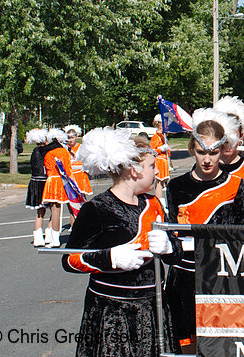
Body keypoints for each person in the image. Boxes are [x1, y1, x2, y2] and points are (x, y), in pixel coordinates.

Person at [62, 128, 181, 356]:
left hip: (153, 307)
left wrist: (168, 247)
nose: (157, 172)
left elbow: (175, 253)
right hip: (111, 310)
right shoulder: (97, 208)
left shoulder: (153, 204)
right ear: (134, 170)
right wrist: (110, 258)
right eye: (152, 166)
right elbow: (70, 259)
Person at [165, 109, 244, 353]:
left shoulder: (236, 184)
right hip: (185, 276)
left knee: (222, 344)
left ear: (223, 150)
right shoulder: (176, 186)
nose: (207, 159)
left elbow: (243, 236)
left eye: (213, 152)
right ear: (192, 150)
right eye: (201, 152)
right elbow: (170, 234)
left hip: (222, 277)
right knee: (187, 344)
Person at [41, 128, 73, 247]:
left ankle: (54, 237)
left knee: (55, 210)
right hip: (60, 181)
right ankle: (58, 238)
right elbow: (67, 170)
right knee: (72, 207)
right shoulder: (63, 152)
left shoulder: (48, 152)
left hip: (51, 182)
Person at [24, 128, 49, 247]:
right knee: (54, 208)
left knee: (40, 211)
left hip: (35, 182)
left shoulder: (35, 151)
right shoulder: (45, 151)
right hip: (44, 182)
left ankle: (39, 236)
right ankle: (49, 233)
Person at [150, 114, 171, 201]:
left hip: (164, 161)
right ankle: (159, 200)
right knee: (159, 182)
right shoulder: (156, 136)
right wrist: (161, 149)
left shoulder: (162, 136)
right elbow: (152, 150)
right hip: (159, 161)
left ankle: (160, 199)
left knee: (162, 182)